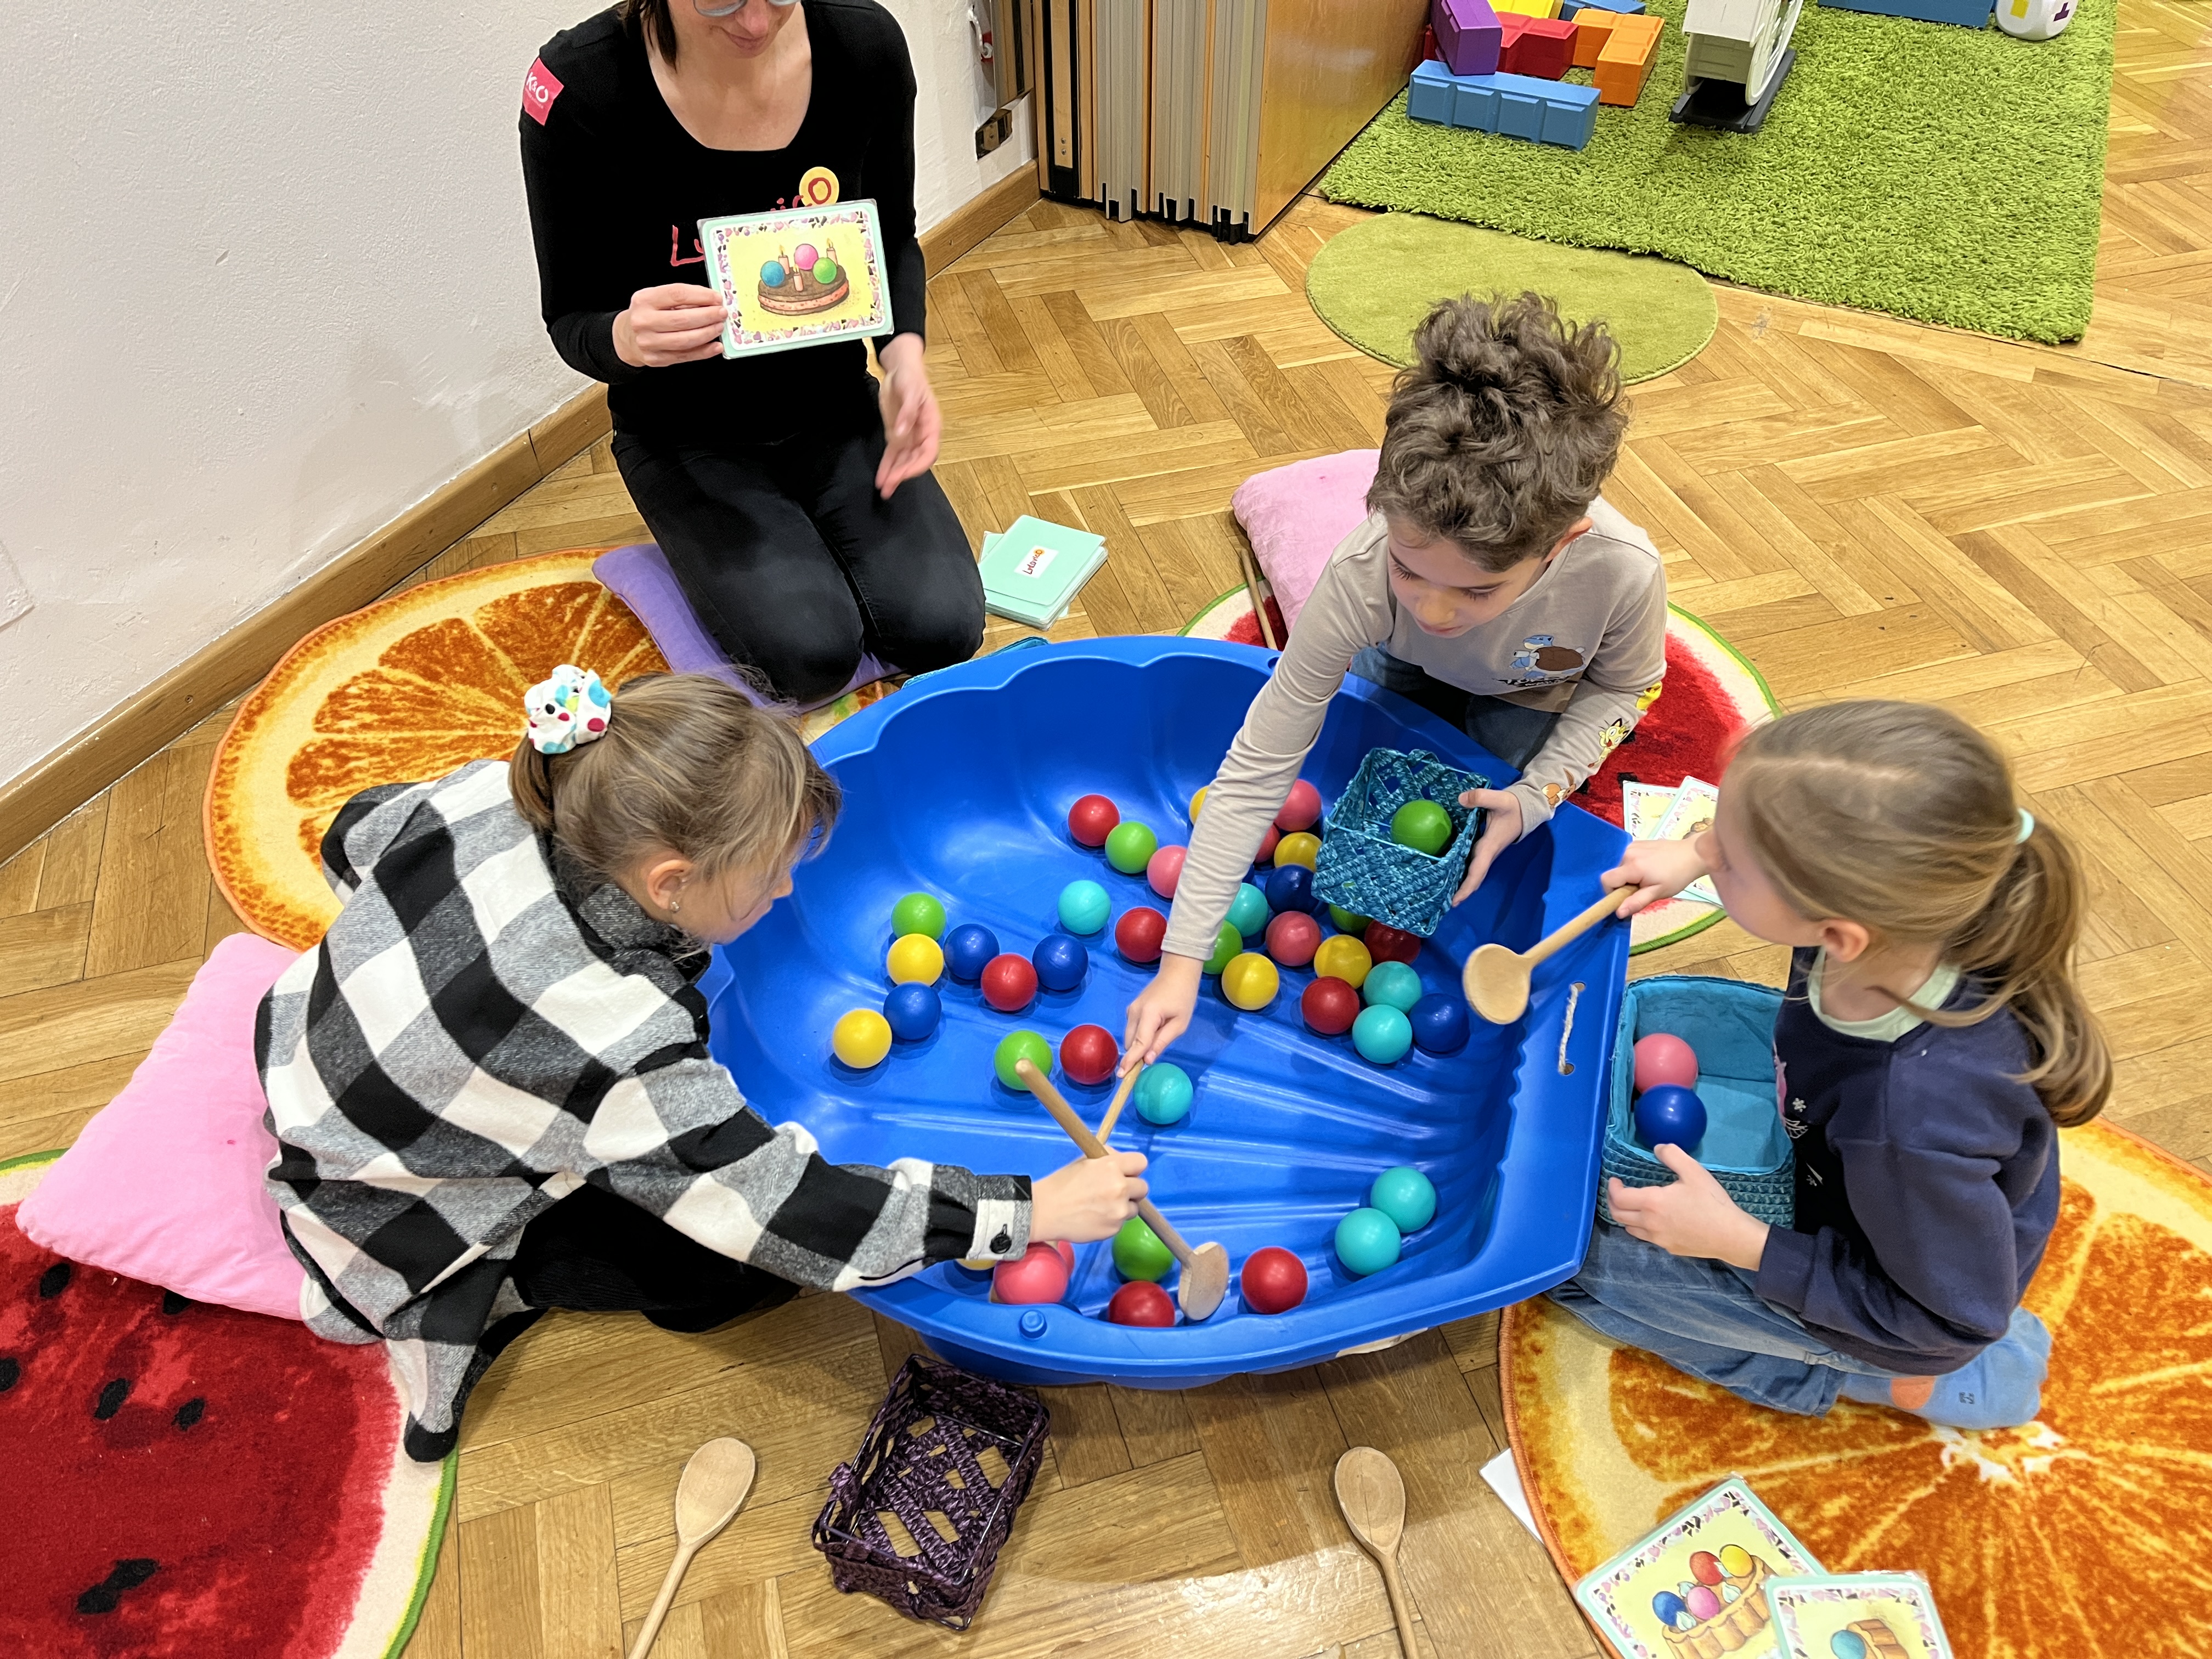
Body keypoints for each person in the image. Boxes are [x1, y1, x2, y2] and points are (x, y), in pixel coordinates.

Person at [259, 670, 1146, 1461]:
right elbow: (792, 1213)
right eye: (767, 877)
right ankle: (513, 1279)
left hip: (307, 1054)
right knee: (722, 1272)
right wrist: (1029, 1211)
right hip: (389, 1202)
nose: (786, 890)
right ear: (670, 882)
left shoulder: (501, 788)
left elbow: (351, 838)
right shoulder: (613, 1036)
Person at [1124, 292, 1666, 1066]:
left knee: (1483, 822)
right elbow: (1259, 764)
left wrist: (1538, 792)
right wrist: (1183, 962)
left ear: (1561, 546)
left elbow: (1624, 689)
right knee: (1371, 789)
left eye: (1478, 589)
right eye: (1410, 571)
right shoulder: (1361, 570)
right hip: (1402, 667)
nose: (1436, 610)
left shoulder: (1622, 571)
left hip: (1531, 690)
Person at [1560, 700, 2109, 1428]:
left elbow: (1948, 1322)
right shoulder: (1895, 930)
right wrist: (1697, 855)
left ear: (1839, 933)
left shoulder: (1906, 1114)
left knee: (1570, 1261)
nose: (1710, 852)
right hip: (1889, 1209)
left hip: (1904, 1312)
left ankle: (1870, 1381)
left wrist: (1741, 1243)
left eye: (1729, 857)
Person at [520, 0, 983, 707]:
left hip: (834, 406)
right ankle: (688, 555)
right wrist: (624, 337)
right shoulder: (578, 89)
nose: (757, 23)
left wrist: (904, 360)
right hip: (682, 435)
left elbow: (890, 238)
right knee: (812, 657)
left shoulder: (865, 47)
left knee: (944, 629)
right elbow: (569, 317)